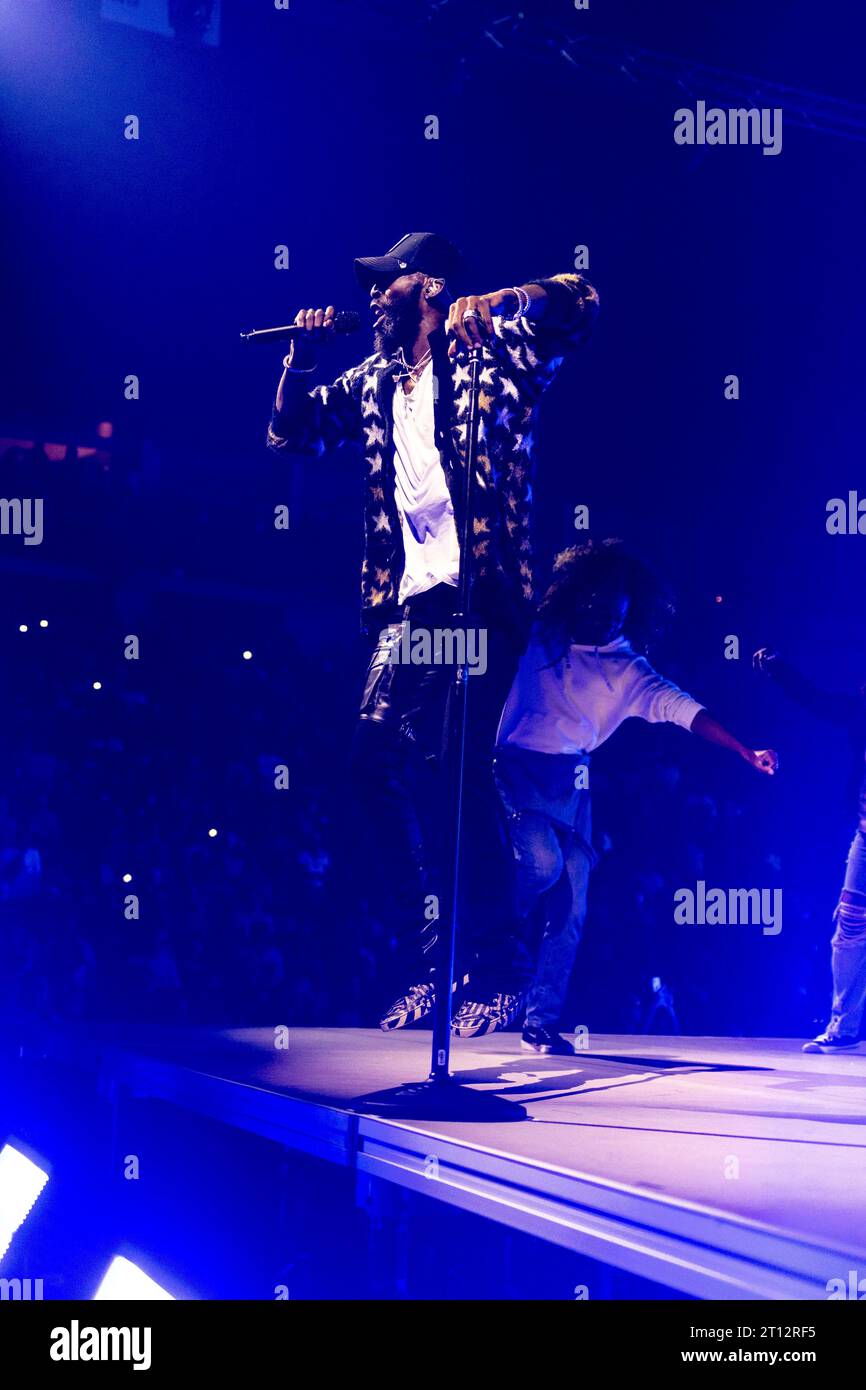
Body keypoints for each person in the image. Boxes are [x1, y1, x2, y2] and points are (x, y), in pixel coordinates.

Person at [265, 232, 599, 1031]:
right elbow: (292, 432)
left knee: (452, 767)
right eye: (372, 284)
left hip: (481, 592)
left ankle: (498, 963)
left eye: (389, 281)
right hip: (410, 602)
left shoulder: (488, 353)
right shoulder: (376, 377)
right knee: (371, 762)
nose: (375, 294)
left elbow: (581, 300)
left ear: (431, 287)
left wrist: (504, 301)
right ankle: (433, 960)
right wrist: (301, 357)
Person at [467, 539, 778, 1053]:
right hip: (514, 769)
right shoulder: (538, 636)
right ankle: (480, 948)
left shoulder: (629, 668)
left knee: (572, 908)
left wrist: (743, 749)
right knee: (539, 867)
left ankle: (539, 1022)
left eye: (619, 616)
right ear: (579, 599)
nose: (609, 623)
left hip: (572, 783)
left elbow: (684, 709)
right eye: (601, 611)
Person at [754, 646, 866, 1053]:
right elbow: (819, 702)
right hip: (865, 839)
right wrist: (780, 670)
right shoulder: (860, 714)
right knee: (849, 929)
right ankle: (846, 1028)